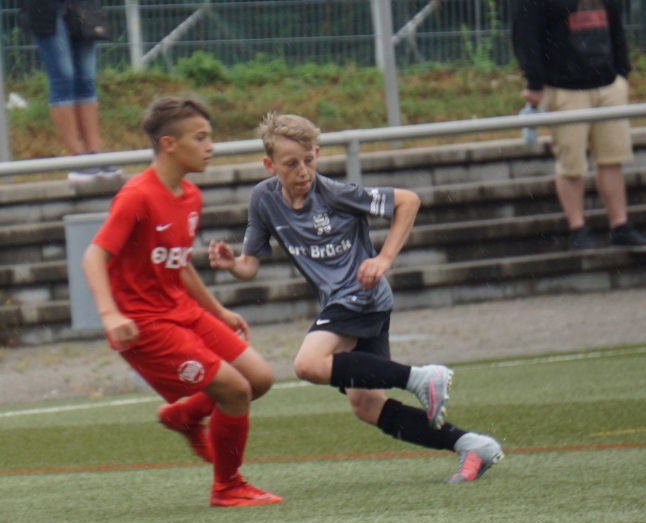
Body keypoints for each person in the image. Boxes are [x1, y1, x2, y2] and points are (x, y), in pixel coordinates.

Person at [208, 113, 503, 483]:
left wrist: (384, 259)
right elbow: (250, 265)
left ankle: (422, 377)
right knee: (366, 404)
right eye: (291, 164)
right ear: (270, 166)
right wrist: (232, 264)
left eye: (309, 160)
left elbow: (408, 201)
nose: (303, 171)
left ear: (317, 154)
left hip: (360, 296)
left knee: (308, 364)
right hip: (350, 303)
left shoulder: (334, 194)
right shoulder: (264, 200)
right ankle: (471, 445)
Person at [80, 97, 282, 507]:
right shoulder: (137, 196)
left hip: (182, 312)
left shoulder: (189, 195)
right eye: (201, 138)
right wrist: (110, 314)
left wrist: (217, 311)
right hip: (145, 324)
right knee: (235, 390)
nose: (211, 146)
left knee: (260, 378)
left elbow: (179, 263)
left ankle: (186, 415)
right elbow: (93, 256)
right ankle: (227, 486)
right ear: (169, 144)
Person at [511, 0, 646, 251]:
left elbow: (614, 22)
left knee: (612, 158)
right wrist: (534, 82)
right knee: (571, 163)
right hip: (564, 87)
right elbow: (525, 36)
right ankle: (577, 228)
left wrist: (622, 72)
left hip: (608, 84)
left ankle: (619, 225)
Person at [20, 0, 121, 183]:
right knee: (63, 78)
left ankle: (95, 154)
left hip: (82, 6)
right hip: (45, 9)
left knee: (87, 79)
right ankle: (77, 158)